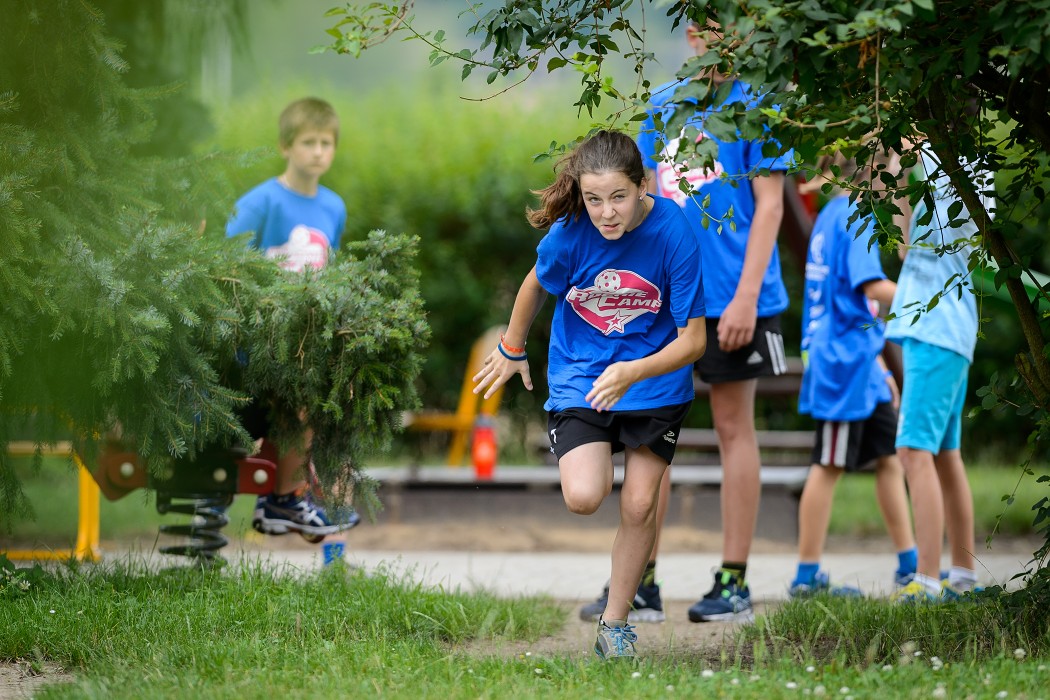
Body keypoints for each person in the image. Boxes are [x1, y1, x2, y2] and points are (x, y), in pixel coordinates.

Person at [580, 19, 793, 625]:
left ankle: (734, 583)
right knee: (648, 440)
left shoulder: (758, 104)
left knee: (733, 429)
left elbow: (772, 205)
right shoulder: (663, 105)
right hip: (662, 301)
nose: (709, 39)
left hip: (735, 297)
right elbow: (638, 200)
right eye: (699, 27)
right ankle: (641, 584)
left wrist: (747, 297)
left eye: (721, 26)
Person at [473, 130, 707, 660]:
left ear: (642, 185)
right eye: (594, 198)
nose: (606, 213)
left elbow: (694, 341)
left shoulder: (674, 232)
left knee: (641, 502)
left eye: (618, 197)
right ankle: (617, 611)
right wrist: (512, 347)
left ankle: (616, 624)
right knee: (583, 497)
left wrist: (634, 371)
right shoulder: (571, 231)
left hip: (656, 384)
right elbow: (537, 282)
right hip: (582, 378)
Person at [225, 97, 357, 539]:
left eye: (326, 143)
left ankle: (289, 499)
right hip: (259, 340)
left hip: (305, 338)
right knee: (298, 399)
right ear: (286, 146)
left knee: (321, 399)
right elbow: (230, 265)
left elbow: (329, 269)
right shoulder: (260, 202)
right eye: (308, 142)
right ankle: (284, 500)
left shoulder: (333, 207)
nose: (318, 151)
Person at [789, 159, 917, 597]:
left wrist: (881, 364)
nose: (900, 188)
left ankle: (910, 568)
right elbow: (871, 288)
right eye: (897, 178)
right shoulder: (856, 216)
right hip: (842, 366)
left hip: (861, 362)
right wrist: (934, 297)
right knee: (828, 465)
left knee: (888, 459)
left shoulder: (830, 214)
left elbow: (849, 300)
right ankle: (806, 579)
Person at [888, 143, 990, 601]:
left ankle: (927, 581)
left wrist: (896, 162)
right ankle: (963, 575)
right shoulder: (979, 163)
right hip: (955, 323)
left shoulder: (920, 158)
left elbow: (903, 243)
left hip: (932, 326)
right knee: (945, 454)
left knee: (913, 452)